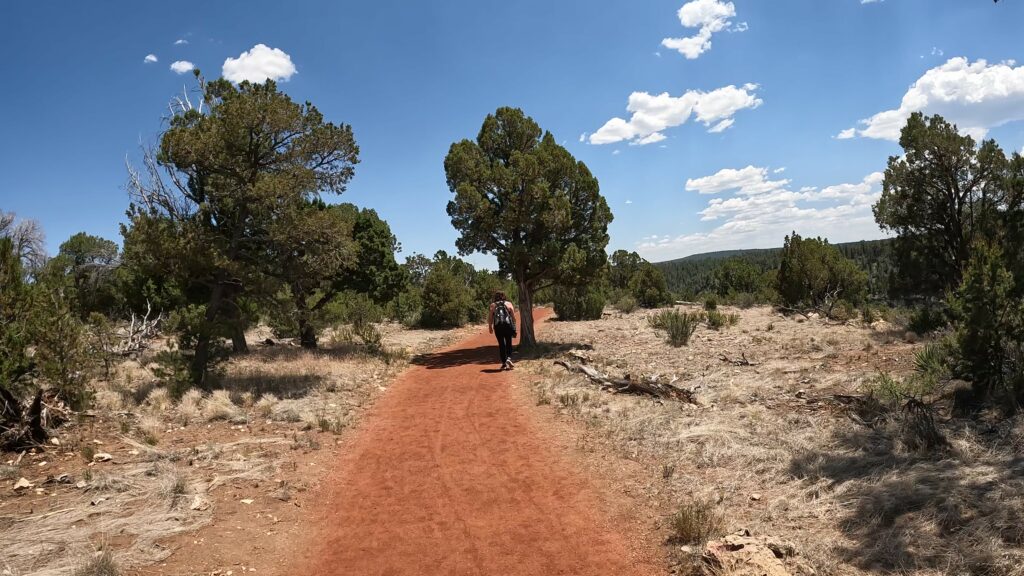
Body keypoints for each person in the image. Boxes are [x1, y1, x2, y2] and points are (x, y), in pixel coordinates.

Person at [488, 291, 517, 371]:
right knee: (509, 342)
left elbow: (490, 317)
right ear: (504, 296)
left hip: (498, 327)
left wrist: (490, 327)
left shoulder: (493, 305)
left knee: (501, 344)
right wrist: (514, 327)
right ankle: (509, 358)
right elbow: (513, 318)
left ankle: (504, 363)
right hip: (507, 326)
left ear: (495, 297)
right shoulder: (509, 303)